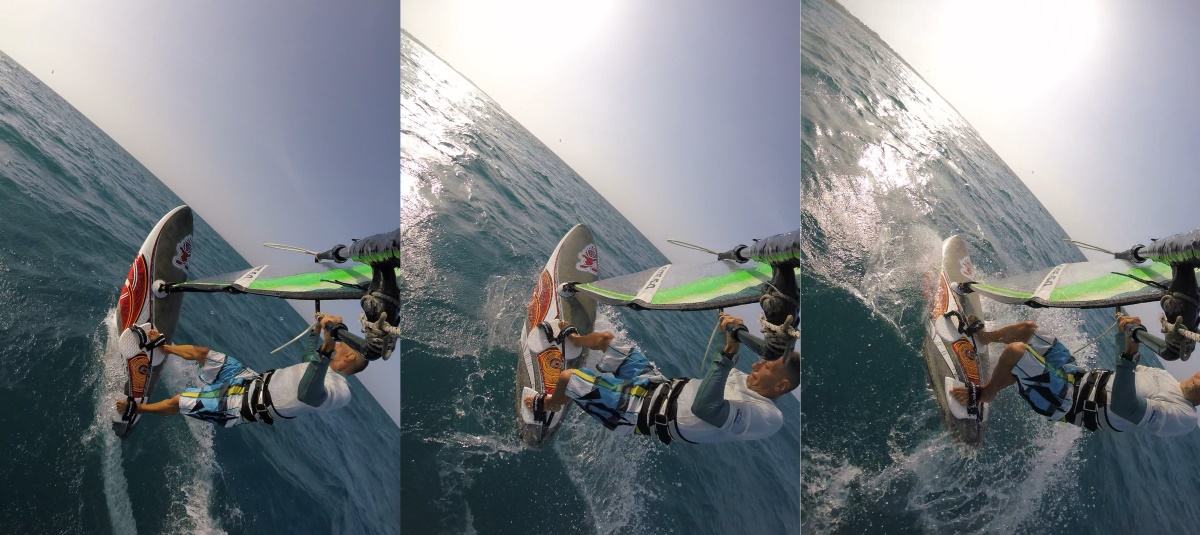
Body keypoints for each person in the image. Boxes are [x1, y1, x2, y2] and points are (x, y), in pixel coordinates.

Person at [522, 312, 797, 444]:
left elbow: (706, 408)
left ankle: (549, 406)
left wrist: (728, 354)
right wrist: (726, 329)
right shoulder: (745, 379)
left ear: (781, 385)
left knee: (568, 378)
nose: (756, 364)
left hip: (640, 411)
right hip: (655, 384)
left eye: (766, 367)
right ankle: (573, 339)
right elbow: (717, 359)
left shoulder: (769, 417)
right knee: (608, 340)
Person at [950, 312, 1200, 437]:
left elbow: (1125, 407)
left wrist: (1130, 354)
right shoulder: (1164, 377)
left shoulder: (1185, 417)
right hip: (1074, 374)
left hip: (1068, 402)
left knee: (1017, 351)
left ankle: (987, 393)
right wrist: (1123, 334)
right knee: (1028, 330)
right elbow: (1124, 366)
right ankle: (985, 338)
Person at [115, 314, 366, 427]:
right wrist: (317, 330)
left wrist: (327, 346)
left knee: (179, 401)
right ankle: (164, 347)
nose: (339, 343)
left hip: (243, 404)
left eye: (343, 344)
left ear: (351, 356)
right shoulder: (323, 364)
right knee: (205, 354)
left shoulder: (341, 391)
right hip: (250, 379)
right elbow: (310, 359)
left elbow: (307, 394)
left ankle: (137, 409)